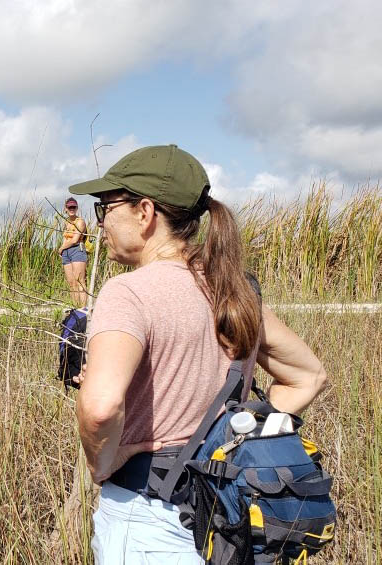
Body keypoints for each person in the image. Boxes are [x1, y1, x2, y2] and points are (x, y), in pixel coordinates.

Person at [68, 145, 328, 564]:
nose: (100, 222)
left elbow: (100, 408)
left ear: (145, 212)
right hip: (226, 524)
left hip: (148, 522)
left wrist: (105, 463)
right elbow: (308, 376)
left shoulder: (128, 292)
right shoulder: (235, 290)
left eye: (105, 207)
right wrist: (234, 442)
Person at [58, 197, 88, 308]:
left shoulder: (80, 222)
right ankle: (75, 307)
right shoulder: (66, 222)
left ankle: (83, 309)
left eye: (74, 207)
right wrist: (63, 251)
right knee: (71, 283)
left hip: (77, 250)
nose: (72, 209)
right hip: (66, 252)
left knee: (80, 281)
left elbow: (75, 240)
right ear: (65, 208)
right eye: (69, 207)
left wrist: (61, 248)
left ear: (77, 208)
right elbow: (66, 238)